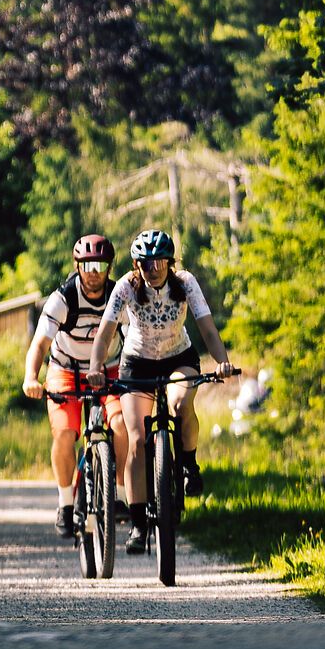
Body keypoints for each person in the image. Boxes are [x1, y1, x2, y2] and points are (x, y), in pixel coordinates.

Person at [92, 227, 234, 553]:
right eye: (145, 262)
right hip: (137, 363)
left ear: (170, 262)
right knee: (137, 439)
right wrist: (96, 367)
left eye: (159, 261)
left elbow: (207, 329)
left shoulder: (185, 283)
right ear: (136, 264)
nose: (153, 268)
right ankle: (138, 525)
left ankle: (188, 464)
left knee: (181, 403)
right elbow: (105, 332)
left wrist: (222, 362)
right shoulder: (126, 287)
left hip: (178, 357)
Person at [20, 231, 122, 541]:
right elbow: (40, 344)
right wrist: (31, 377)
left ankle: (118, 496)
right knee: (65, 433)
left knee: (122, 425)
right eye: (87, 266)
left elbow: (134, 337)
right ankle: (65, 503)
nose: (93, 274)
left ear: (109, 268)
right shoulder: (63, 299)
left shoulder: (119, 296)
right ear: (77, 267)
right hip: (66, 369)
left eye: (100, 266)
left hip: (109, 369)